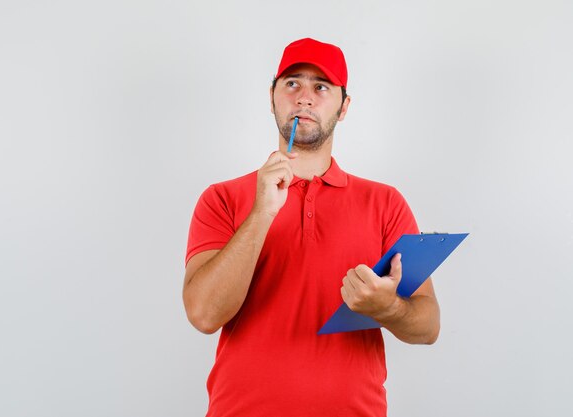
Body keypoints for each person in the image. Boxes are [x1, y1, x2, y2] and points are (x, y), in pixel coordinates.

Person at [183, 38, 440, 417]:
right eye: (292, 84)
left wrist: (390, 308)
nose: (304, 98)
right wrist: (261, 213)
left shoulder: (385, 203)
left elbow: (428, 325)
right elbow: (204, 315)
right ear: (272, 96)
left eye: (321, 87)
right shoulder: (221, 198)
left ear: (344, 106)